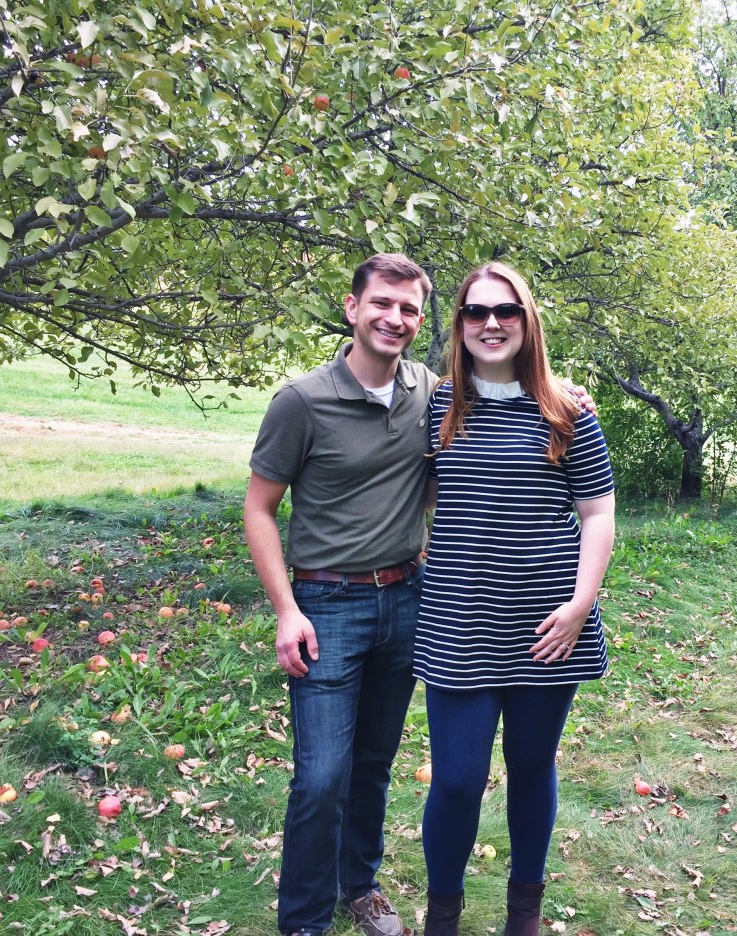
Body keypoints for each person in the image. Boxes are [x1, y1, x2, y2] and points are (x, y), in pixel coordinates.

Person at [414, 263, 616, 936]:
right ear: (460, 324)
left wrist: (581, 605)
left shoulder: (568, 411)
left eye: (506, 311)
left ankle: (521, 913)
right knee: (457, 780)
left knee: (531, 765)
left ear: (528, 323)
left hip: (547, 625)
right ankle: (443, 914)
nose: (491, 323)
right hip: (457, 622)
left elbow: (598, 514)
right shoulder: (436, 406)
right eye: (476, 312)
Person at [243, 253, 435, 936]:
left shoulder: (429, 392)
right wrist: (285, 611)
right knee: (321, 776)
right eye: (382, 303)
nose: (395, 318)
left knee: (375, 763)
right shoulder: (301, 402)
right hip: (326, 606)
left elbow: (506, 397)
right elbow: (260, 508)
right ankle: (302, 920)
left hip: (406, 601)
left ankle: (362, 888)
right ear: (353, 308)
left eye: (409, 308)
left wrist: (565, 392)